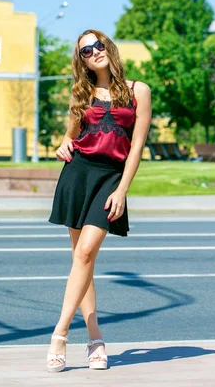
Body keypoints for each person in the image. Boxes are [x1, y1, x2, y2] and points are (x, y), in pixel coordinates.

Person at [46, 29, 151, 372]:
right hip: (77, 176)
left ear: (108, 46)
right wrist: (63, 144)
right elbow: (71, 135)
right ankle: (95, 338)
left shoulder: (139, 91)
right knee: (82, 260)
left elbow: (136, 146)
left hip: (110, 178)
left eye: (97, 45)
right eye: (86, 51)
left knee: (86, 252)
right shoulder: (83, 92)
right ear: (83, 61)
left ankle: (59, 333)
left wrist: (122, 189)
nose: (94, 52)